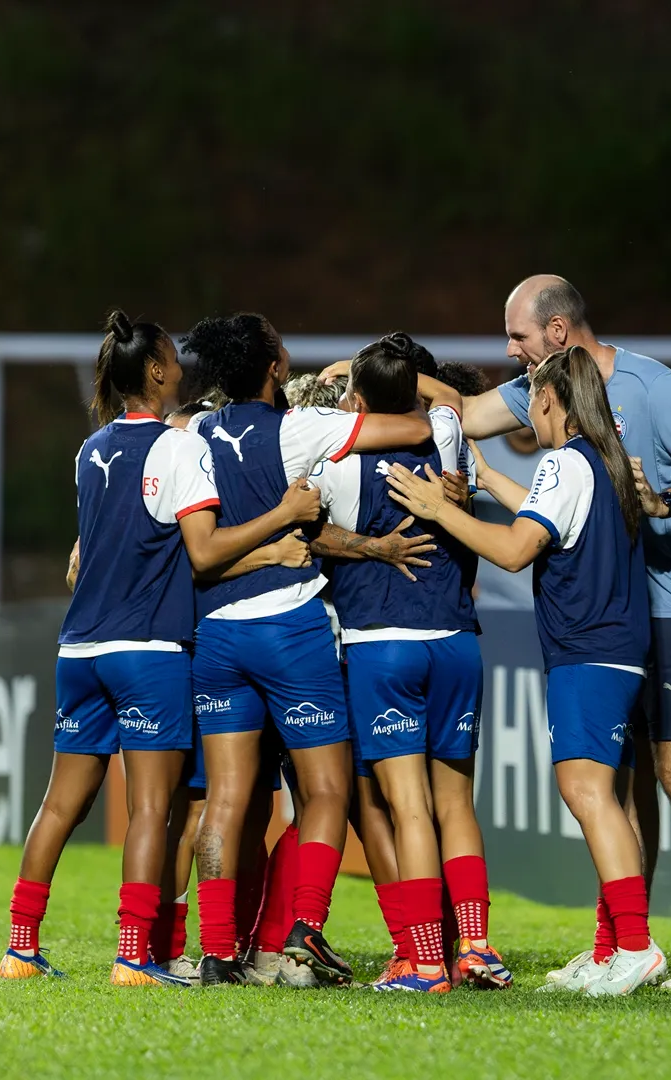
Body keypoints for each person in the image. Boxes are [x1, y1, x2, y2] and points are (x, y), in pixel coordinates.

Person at [0, 311, 316, 986]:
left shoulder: (90, 451)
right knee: (152, 809)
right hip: (147, 651)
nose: (181, 367)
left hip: (79, 648)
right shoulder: (176, 449)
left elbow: (92, 556)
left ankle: (20, 947)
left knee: (60, 803)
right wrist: (281, 521)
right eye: (173, 357)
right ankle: (134, 957)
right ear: (156, 372)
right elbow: (203, 552)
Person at [455, 275, 671, 989]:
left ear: (557, 334)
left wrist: (663, 500)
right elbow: (461, 413)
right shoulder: (547, 392)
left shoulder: (655, 389)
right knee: (618, 779)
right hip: (621, 607)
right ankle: (621, 937)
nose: (509, 352)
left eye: (518, 337)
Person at [389, 345, 665, 997]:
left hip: (588, 652)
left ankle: (634, 946)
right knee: (611, 798)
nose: (527, 419)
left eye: (532, 403)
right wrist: (482, 478)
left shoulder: (564, 461)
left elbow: (516, 550)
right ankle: (610, 948)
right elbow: (551, 517)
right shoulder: (603, 461)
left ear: (550, 400)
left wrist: (441, 511)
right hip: (620, 649)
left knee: (587, 794)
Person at [182, 312, 435, 986]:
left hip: (217, 635)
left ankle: (215, 952)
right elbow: (410, 427)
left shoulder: (196, 432)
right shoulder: (296, 427)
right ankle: (304, 930)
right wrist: (387, 383)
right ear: (272, 367)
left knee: (227, 801)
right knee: (325, 792)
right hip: (290, 629)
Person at [315, 334, 511, 993]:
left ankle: (426, 960)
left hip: (382, 645)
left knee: (409, 807)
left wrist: (352, 386)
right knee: (456, 803)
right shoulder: (447, 438)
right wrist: (399, 379)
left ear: (359, 398)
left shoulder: (338, 454)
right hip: (456, 640)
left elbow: (309, 526)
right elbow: (449, 398)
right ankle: (477, 948)